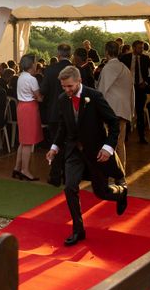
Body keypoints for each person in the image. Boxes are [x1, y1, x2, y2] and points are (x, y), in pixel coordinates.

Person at [45, 66, 127, 246]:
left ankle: (120, 193)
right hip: (73, 151)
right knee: (70, 187)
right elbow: (62, 127)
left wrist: (107, 148)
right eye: (64, 87)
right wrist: (54, 147)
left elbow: (114, 123)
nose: (67, 90)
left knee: (101, 192)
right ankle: (78, 229)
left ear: (79, 81)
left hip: (95, 151)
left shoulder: (94, 96)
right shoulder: (62, 99)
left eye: (70, 86)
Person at [98, 41, 134, 169]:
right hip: (123, 109)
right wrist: (131, 110)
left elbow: (101, 91)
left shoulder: (108, 67)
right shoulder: (125, 68)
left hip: (111, 110)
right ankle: (121, 171)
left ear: (106, 52)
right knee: (120, 143)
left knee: (108, 143)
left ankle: (111, 172)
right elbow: (131, 90)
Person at [40, 44, 73, 186]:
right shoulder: (76, 70)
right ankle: (68, 175)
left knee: (55, 144)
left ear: (58, 55)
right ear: (70, 55)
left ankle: (54, 176)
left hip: (54, 112)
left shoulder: (50, 69)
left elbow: (44, 91)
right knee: (70, 145)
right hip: (72, 113)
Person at [13, 54, 43, 181]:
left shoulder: (21, 76)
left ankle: (17, 167)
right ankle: (25, 170)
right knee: (28, 142)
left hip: (21, 107)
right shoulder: (32, 79)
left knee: (23, 140)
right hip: (29, 108)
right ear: (31, 64)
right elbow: (39, 97)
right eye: (35, 62)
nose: (36, 64)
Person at [120, 40, 150, 144]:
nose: (142, 49)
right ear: (134, 48)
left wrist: (147, 81)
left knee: (140, 112)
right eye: (140, 47)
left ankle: (142, 137)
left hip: (140, 88)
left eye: (143, 47)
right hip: (127, 88)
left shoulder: (145, 58)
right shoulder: (125, 58)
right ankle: (125, 136)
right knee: (126, 111)